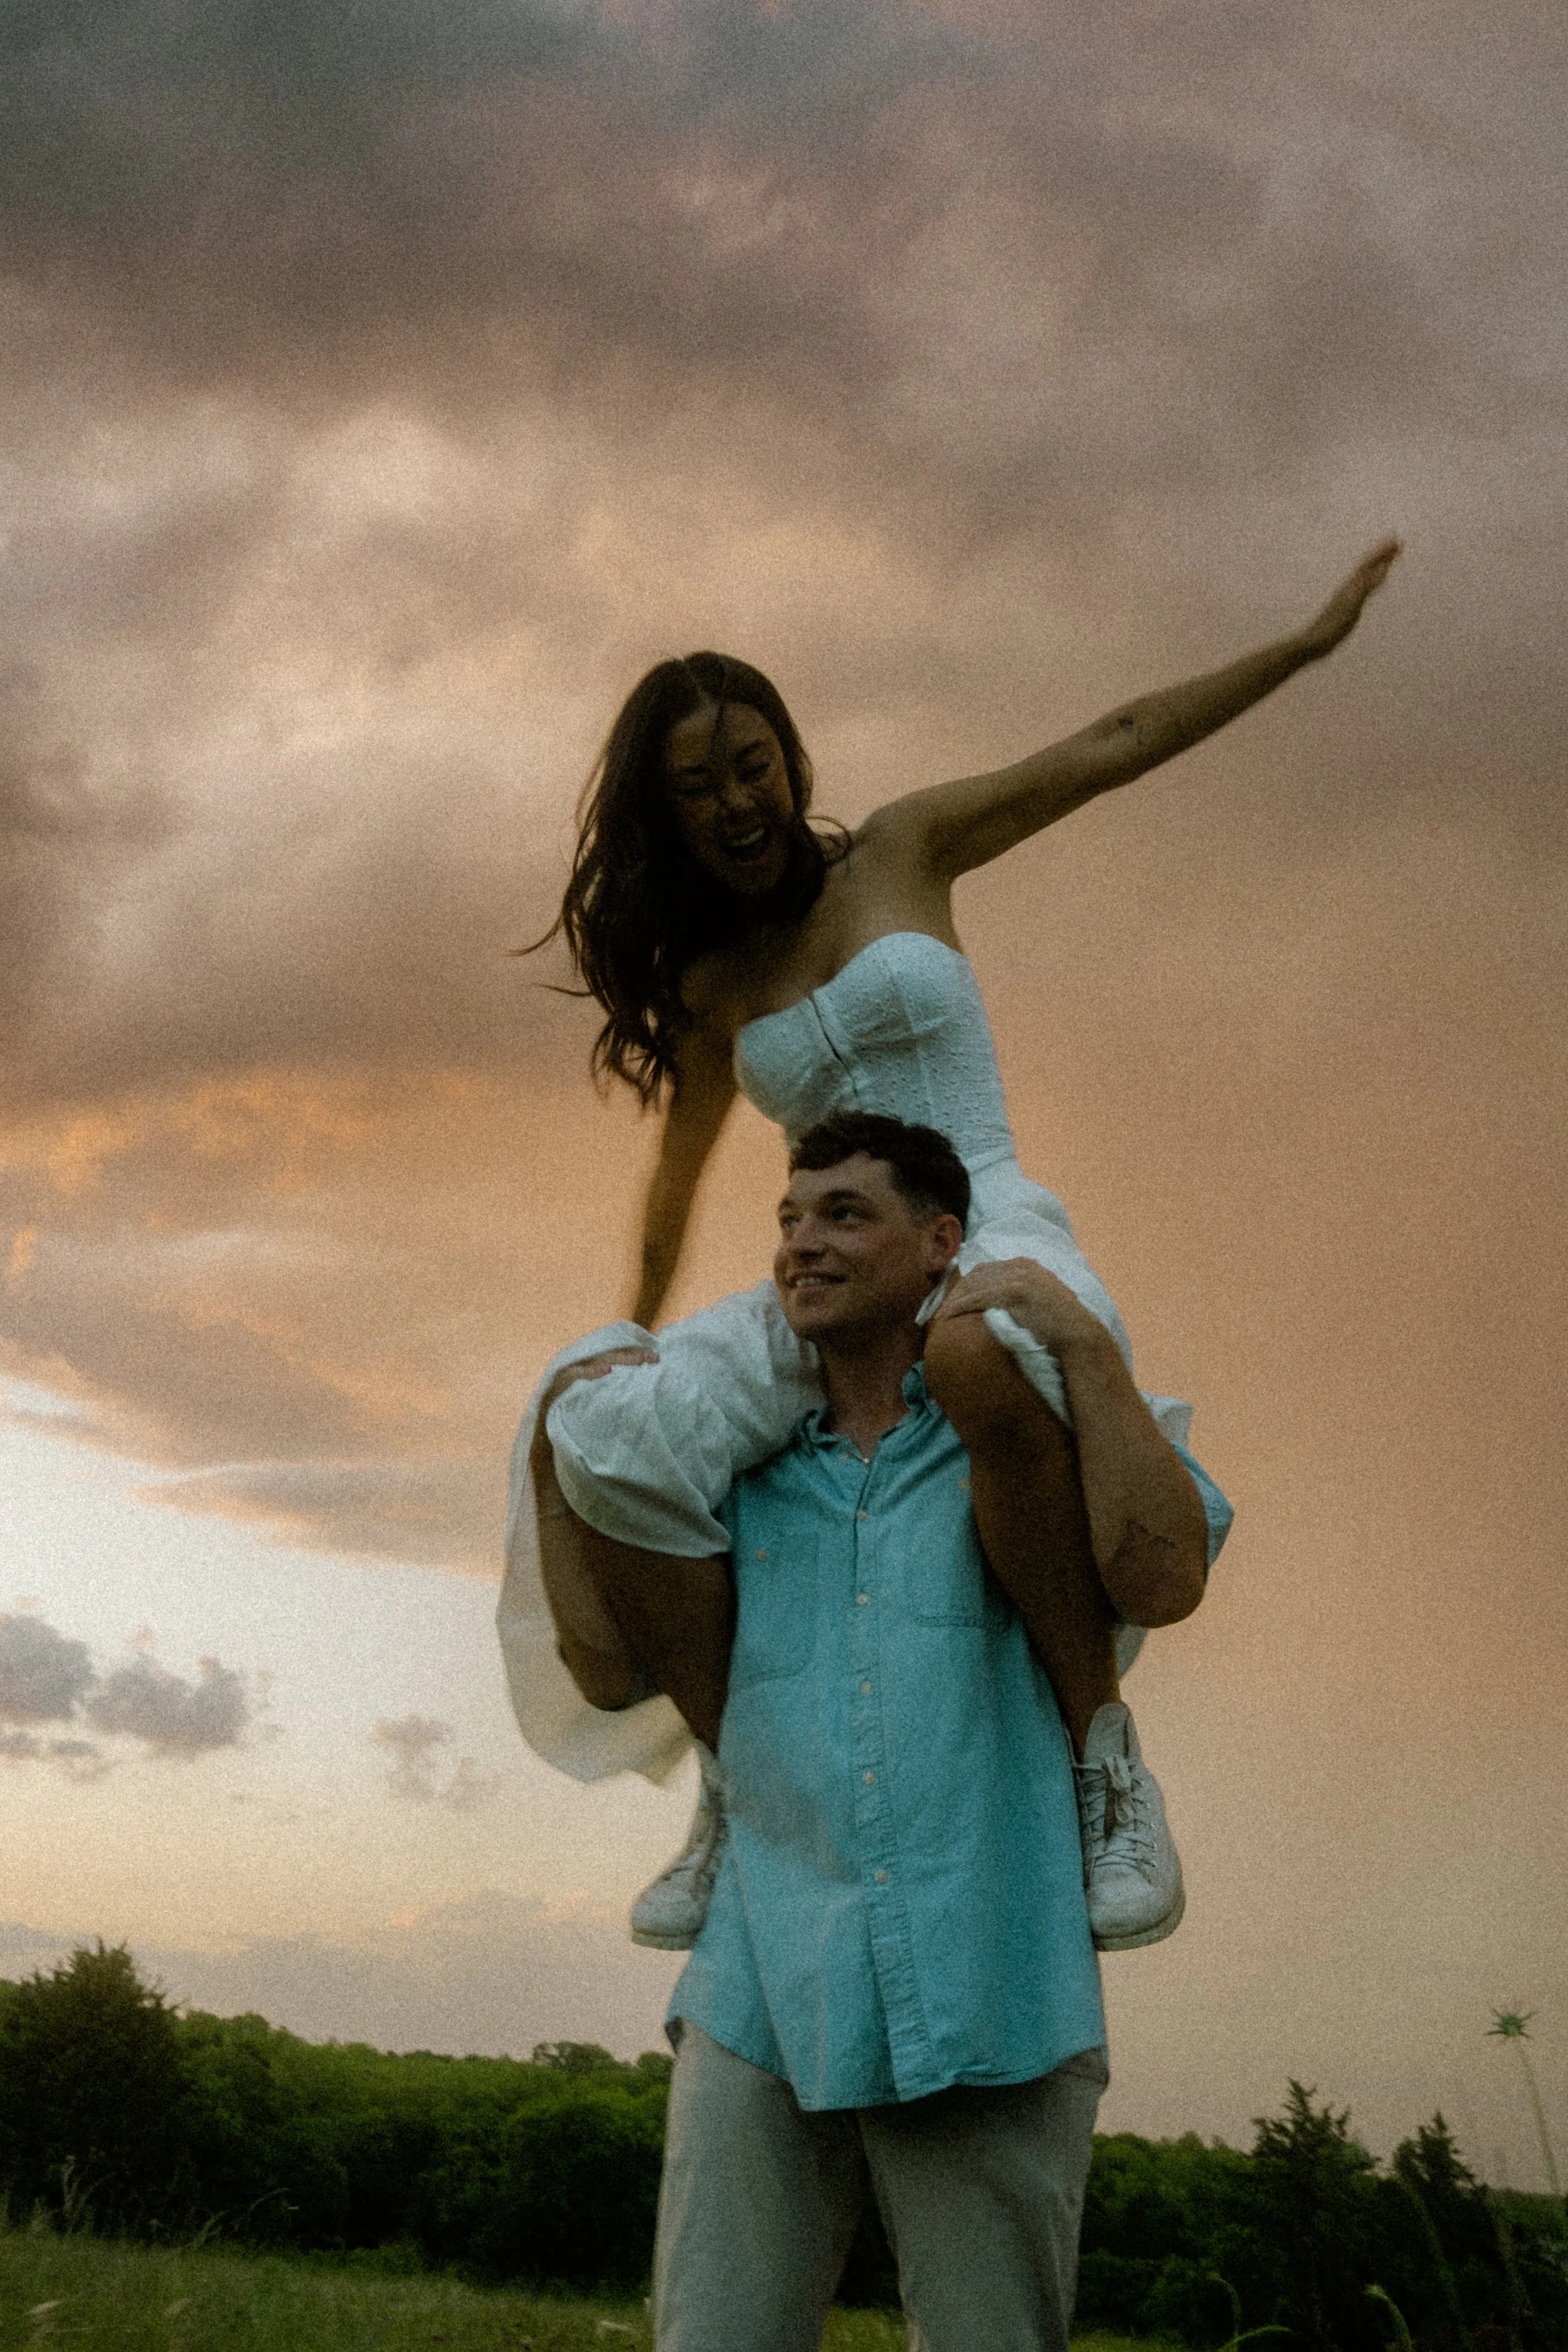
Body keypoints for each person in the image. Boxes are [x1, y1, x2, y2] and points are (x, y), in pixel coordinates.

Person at [497, 539, 1398, 1947]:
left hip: (978, 1215)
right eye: (693, 786)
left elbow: (1112, 742)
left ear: (788, 760)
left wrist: (1301, 642)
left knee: (982, 1349)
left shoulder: (907, 849)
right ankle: (736, 1785)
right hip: (840, 1256)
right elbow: (676, 1176)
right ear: (663, 816)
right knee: (600, 1428)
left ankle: (1104, 1766)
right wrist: (633, 1328)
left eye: (749, 764)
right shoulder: (714, 981)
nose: (734, 801)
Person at [539, 1116, 1226, 2351]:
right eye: (789, 1220)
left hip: (986, 1981)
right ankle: (719, 1809)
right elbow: (599, 1674)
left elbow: (1164, 1571)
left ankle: (1110, 1779)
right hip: (760, 1979)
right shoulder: (730, 1471)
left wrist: (1071, 1330)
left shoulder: (1015, 1440)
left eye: (844, 1215)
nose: (801, 1244)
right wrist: (558, 1437)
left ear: (940, 1243)